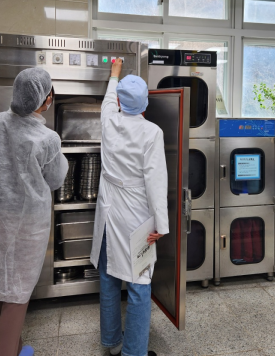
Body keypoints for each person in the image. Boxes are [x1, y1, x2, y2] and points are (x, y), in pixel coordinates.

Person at [0, 68, 68, 356]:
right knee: (16, 297)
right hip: (25, 228)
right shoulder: (46, 138)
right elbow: (56, 179)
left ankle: (14, 349)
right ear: (45, 99)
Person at [90, 59, 168, 356]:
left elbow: (109, 100)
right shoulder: (152, 132)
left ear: (121, 102)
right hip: (136, 215)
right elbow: (156, 182)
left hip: (109, 210)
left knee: (109, 277)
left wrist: (114, 73)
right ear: (145, 103)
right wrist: (161, 224)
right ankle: (134, 352)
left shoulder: (109, 120)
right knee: (139, 283)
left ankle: (112, 344)